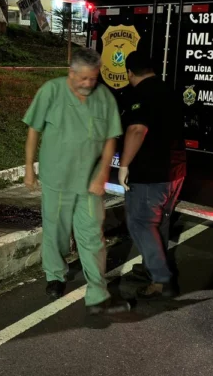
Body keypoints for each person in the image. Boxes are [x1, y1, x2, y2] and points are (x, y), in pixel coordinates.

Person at [23, 48, 129, 316]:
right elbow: (34, 130)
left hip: (89, 182)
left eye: (93, 79)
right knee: (56, 231)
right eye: (83, 78)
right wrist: (29, 169)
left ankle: (97, 293)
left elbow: (110, 139)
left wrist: (103, 172)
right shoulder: (51, 91)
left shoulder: (103, 97)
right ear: (71, 73)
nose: (88, 84)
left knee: (93, 235)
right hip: (56, 178)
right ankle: (55, 275)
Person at [118, 50, 183, 299]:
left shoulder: (140, 93)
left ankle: (160, 278)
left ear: (130, 73)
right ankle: (152, 270)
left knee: (140, 223)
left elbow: (136, 129)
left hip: (151, 175)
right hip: (175, 172)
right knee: (160, 223)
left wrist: (124, 165)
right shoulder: (170, 90)